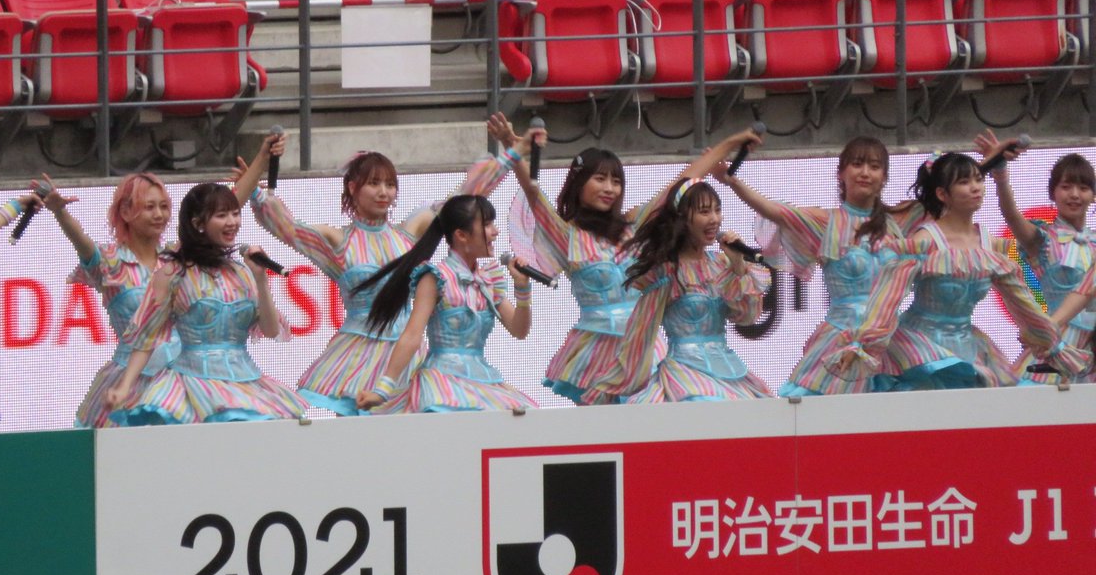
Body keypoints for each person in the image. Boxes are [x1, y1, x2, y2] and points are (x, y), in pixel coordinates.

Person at [490, 113, 764, 405]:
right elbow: (534, 196)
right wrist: (512, 148)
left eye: (616, 181)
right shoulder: (567, 235)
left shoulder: (634, 227)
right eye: (600, 179)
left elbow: (681, 184)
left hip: (642, 348)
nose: (609, 188)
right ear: (579, 183)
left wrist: (731, 143)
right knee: (604, 428)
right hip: (595, 349)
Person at [246, 141, 515, 416]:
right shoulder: (338, 241)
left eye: (390, 184)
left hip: (406, 352)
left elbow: (460, 203)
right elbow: (289, 229)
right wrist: (254, 191)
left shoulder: (409, 234)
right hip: (355, 355)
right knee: (356, 433)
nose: (384, 192)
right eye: (374, 183)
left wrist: (510, 157)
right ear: (353, 187)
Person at [39, 141, 280, 427]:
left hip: (183, 379)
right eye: (149, 207)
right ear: (125, 212)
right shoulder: (111, 262)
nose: (159, 215)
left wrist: (262, 157)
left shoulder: (174, 259)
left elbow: (224, 208)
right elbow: (83, 246)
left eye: (164, 207)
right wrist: (60, 212)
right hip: (132, 375)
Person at [715, 136, 923, 396]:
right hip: (841, 338)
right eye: (857, 164)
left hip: (889, 338)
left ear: (884, 178)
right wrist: (733, 182)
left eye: (874, 166)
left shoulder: (899, 221)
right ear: (841, 173)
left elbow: (946, 200)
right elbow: (776, 212)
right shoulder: (827, 223)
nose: (865, 172)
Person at [105, 182, 309, 425]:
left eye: (235, 214)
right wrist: (125, 386)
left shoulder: (242, 273)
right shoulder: (173, 273)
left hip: (244, 381)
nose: (232, 222)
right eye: (221, 215)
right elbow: (145, 338)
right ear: (198, 224)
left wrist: (261, 279)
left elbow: (271, 330)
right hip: (192, 384)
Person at [875, 152, 1072, 390]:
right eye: (964, 182)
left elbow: (1022, 300)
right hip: (921, 346)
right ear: (942, 194)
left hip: (968, 344)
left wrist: (1051, 342)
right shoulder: (925, 240)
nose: (975, 187)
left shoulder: (989, 244)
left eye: (979, 180)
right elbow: (889, 296)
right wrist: (864, 342)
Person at [587, 180, 773, 404]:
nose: (715, 219)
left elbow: (747, 317)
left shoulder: (722, 263)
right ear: (682, 218)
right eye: (704, 212)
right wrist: (620, 380)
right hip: (685, 373)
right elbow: (641, 332)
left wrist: (738, 266)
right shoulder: (666, 271)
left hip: (728, 370)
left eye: (717, 210)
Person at [355, 195, 537, 413]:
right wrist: (383, 389)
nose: (495, 231)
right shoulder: (436, 277)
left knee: (525, 415)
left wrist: (522, 287)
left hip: (482, 378)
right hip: (442, 380)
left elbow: (519, 330)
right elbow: (412, 335)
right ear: (461, 235)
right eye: (487, 224)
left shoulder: (488, 279)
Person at [974, 133, 1095, 381]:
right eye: (1066, 187)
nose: (1074, 194)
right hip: (1057, 342)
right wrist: (1000, 172)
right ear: (1052, 193)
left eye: (1083, 188)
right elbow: (1011, 214)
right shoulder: (1043, 239)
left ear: (1093, 195)